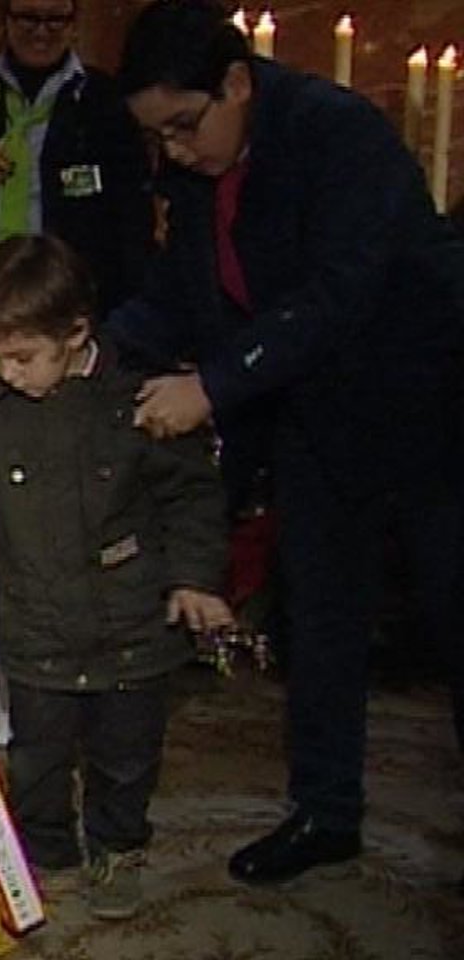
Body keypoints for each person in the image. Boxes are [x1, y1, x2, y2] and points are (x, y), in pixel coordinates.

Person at [111, 0, 464, 887]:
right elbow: (181, 298)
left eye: (183, 126)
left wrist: (213, 386)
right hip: (315, 417)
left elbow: (337, 297)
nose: (174, 152)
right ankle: (325, 812)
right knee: (321, 618)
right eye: (157, 137)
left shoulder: (337, 133)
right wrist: (84, 350)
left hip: (430, 406)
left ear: (236, 83)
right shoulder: (198, 172)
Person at [0, 233, 232, 920]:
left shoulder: (139, 399)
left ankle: (119, 846)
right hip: (37, 629)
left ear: (77, 333)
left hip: (131, 627)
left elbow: (192, 497)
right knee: (36, 759)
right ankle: (46, 848)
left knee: (126, 757)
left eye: (23, 358)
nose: (9, 374)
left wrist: (195, 579)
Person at [0, 0, 154, 388]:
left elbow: (133, 213)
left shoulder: (103, 98)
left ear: (73, 24)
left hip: (73, 300)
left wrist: (129, 309)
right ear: (5, 20)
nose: (41, 31)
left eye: (55, 19)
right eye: (28, 18)